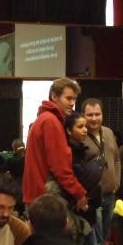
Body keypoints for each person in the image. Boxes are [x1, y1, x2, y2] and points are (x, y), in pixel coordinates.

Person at [23, 77, 88, 213]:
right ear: (54, 96)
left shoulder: (45, 118)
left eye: (74, 99)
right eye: (68, 98)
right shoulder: (51, 121)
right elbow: (60, 166)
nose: (72, 103)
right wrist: (79, 193)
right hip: (44, 200)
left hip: (37, 196)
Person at [47, 111, 102, 245]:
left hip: (86, 208)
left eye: (85, 126)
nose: (85, 130)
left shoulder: (81, 149)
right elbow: (70, 179)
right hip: (75, 210)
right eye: (80, 127)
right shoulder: (67, 152)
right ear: (69, 131)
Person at [82, 98, 121, 245]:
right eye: (90, 115)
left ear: (102, 115)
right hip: (92, 196)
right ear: (83, 115)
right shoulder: (80, 135)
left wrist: (116, 182)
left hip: (110, 194)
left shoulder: (109, 132)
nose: (94, 118)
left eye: (97, 114)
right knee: (94, 237)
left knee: (104, 234)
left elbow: (116, 159)